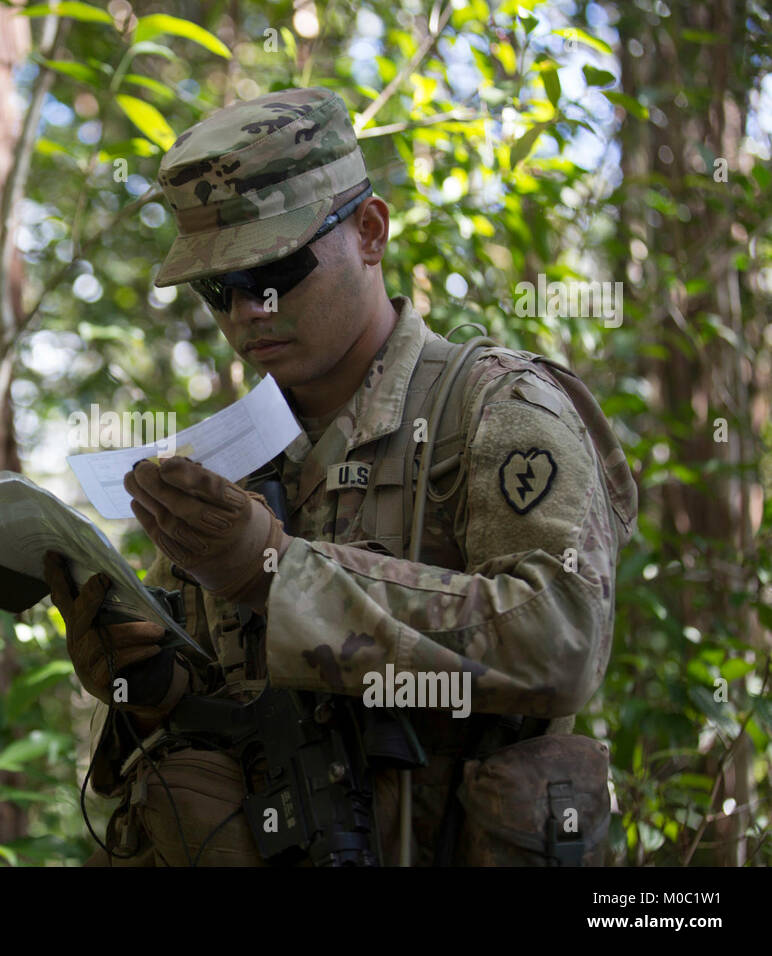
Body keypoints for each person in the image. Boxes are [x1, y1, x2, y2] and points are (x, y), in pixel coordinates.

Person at [43, 87, 638, 866]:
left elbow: (563, 640)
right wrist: (147, 687)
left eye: (276, 272)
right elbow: (217, 709)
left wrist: (278, 576)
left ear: (370, 232)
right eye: (216, 290)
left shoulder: (494, 406)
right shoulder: (229, 459)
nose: (245, 313)